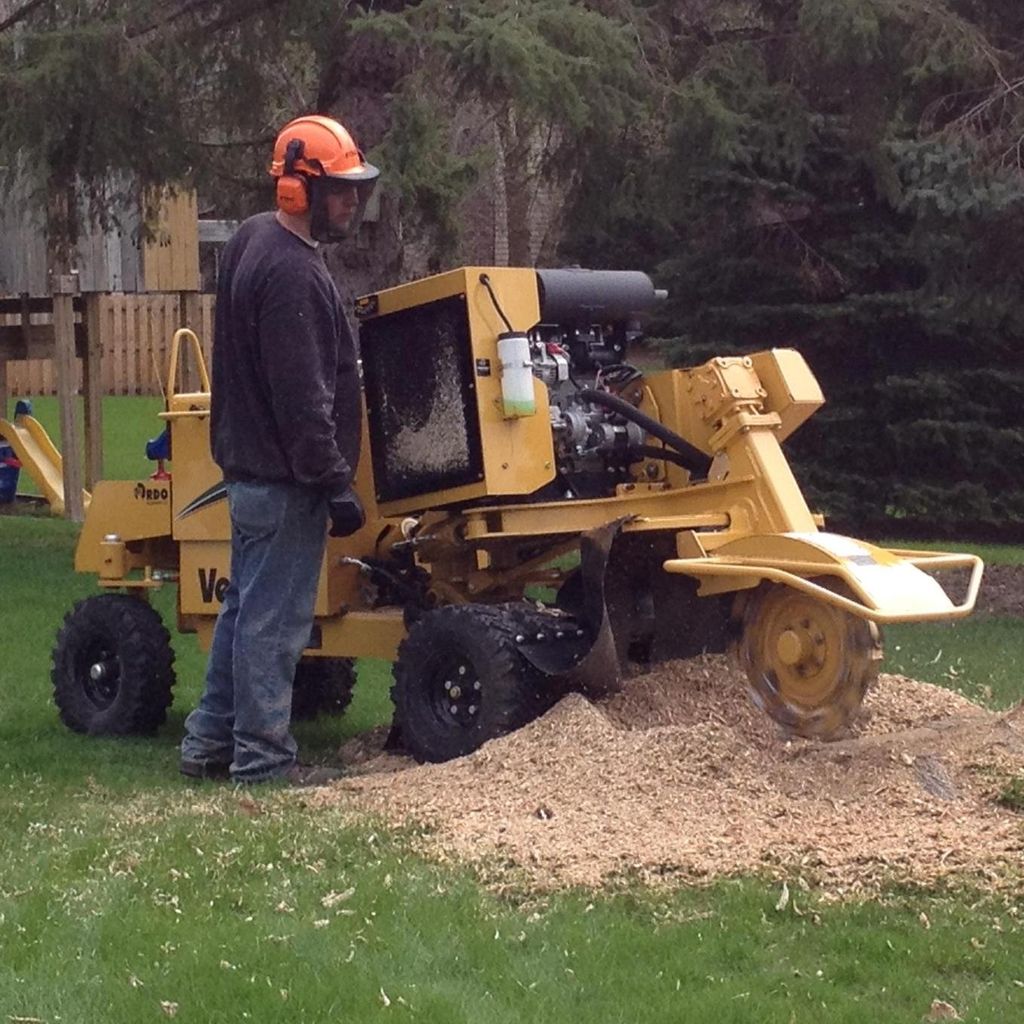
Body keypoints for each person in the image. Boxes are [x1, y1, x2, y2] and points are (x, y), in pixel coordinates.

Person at [179, 114, 379, 785]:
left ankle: (208, 744)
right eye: (342, 190)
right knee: (273, 624)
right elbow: (303, 401)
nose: (353, 201)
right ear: (299, 190)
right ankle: (263, 762)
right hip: (287, 477)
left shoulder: (249, 239)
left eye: (357, 189)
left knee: (241, 612)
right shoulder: (292, 274)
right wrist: (333, 482)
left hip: (250, 470)